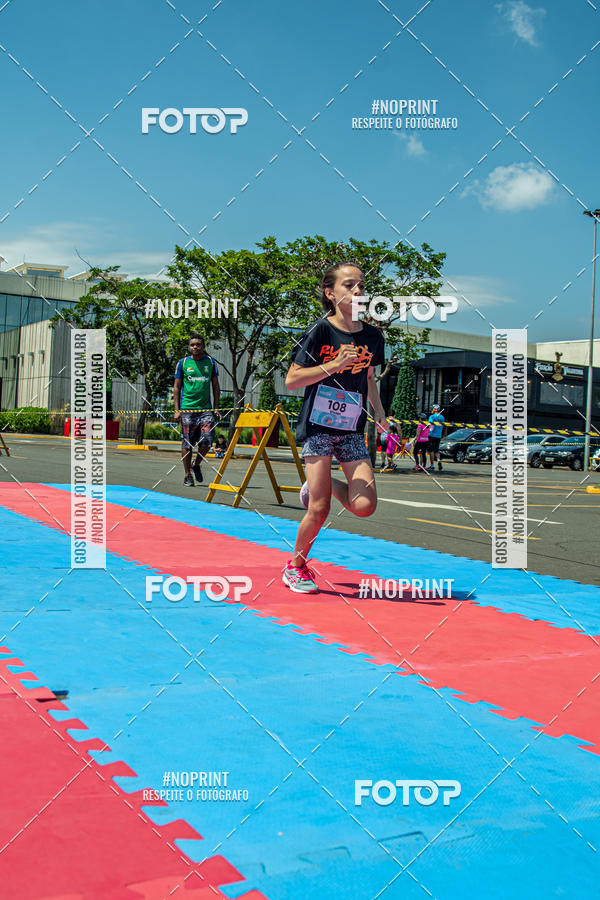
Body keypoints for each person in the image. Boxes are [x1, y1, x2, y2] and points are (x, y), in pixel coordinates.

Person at [284, 262, 388, 594]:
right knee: (321, 507)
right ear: (331, 293)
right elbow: (291, 381)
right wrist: (334, 364)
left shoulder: (373, 336)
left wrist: (382, 415)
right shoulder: (320, 331)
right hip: (318, 426)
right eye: (349, 285)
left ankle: (318, 485)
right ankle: (295, 568)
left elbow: (369, 379)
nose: (358, 290)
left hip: (352, 429)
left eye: (361, 285)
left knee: (364, 506)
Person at [173, 333, 221, 486]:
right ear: (189, 346)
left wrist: (216, 408)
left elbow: (215, 386)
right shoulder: (183, 363)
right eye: (192, 345)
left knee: (207, 440)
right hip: (187, 409)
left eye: (198, 344)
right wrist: (177, 410)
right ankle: (188, 475)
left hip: (206, 409)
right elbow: (177, 387)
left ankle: (197, 464)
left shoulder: (211, 363)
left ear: (203, 346)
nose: (195, 347)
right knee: (187, 444)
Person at [427, 403, 445, 472]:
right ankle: (438, 460)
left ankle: (432, 465)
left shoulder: (432, 417)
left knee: (431, 450)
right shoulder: (442, 417)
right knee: (436, 450)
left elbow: (430, 424)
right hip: (439, 435)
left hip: (432, 435)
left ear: (435, 409)